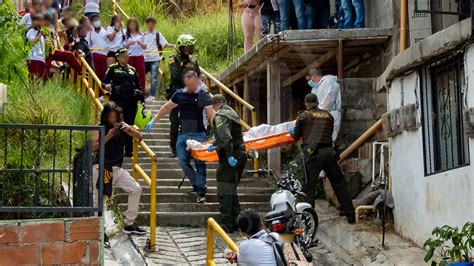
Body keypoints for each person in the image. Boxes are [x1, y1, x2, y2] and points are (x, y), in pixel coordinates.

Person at [145, 71, 214, 203]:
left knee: (200, 163)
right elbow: (166, 108)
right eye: (189, 84)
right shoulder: (179, 95)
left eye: (194, 83)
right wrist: (154, 120)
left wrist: (217, 133)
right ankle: (196, 184)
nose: (192, 86)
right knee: (182, 161)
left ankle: (201, 191)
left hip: (199, 134)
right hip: (183, 134)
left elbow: (211, 114)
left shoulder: (203, 95)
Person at [289, 93, 355, 223]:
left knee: (309, 188)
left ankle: (309, 220)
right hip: (329, 153)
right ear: (317, 102)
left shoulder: (303, 116)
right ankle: (350, 215)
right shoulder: (328, 116)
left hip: (313, 154)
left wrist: (292, 132)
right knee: (339, 184)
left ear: (306, 103)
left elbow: (296, 136)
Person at [91, 101, 146, 235]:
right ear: (105, 116)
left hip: (117, 168)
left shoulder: (122, 128)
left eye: (115, 117)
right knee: (100, 199)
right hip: (101, 167)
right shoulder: (99, 128)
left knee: (136, 188)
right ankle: (99, 230)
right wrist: (108, 136)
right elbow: (92, 147)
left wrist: (129, 129)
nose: (113, 120)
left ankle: (129, 224)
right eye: (110, 117)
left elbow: (140, 137)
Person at [207, 94, 247, 233]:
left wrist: (229, 155)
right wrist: (215, 143)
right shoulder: (232, 113)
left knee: (224, 190)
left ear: (213, 106)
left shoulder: (220, 116)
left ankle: (227, 224)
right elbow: (229, 135)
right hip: (241, 154)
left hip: (232, 156)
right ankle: (238, 222)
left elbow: (225, 136)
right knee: (231, 190)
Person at [102, 48, 145, 157]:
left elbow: (138, 86)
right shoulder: (113, 69)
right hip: (117, 101)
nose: (125, 57)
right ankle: (118, 147)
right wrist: (106, 86)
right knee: (118, 123)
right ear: (117, 57)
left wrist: (142, 100)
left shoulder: (132, 70)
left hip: (131, 102)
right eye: (123, 55)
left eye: (126, 55)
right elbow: (104, 82)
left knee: (129, 124)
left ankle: (129, 149)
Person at [166, 34, 201, 158]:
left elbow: (198, 75)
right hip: (177, 92)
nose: (189, 50)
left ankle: (189, 149)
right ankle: (174, 149)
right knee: (175, 121)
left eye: (190, 47)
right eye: (186, 47)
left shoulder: (194, 60)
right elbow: (175, 74)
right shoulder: (173, 58)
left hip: (191, 94)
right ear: (180, 47)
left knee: (190, 121)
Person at [143, 16, 175, 102]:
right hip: (145, 59)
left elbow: (165, 45)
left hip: (155, 59)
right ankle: (140, 94)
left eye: (152, 23)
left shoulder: (157, 34)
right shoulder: (143, 35)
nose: (151, 25)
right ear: (147, 24)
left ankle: (152, 95)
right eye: (149, 23)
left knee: (154, 77)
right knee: (140, 76)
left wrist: (174, 46)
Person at [306, 67, 341, 141]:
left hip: (330, 114)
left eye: (310, 79)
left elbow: (328, 101)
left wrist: (315, 113)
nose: (310, 82)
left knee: (328, 141)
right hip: (320, 116)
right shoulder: (315, 89)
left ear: (315, 76)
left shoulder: (328, 81)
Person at [124, 18, 147, 93]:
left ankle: (141, 92)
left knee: (141, 75)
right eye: (131, 24)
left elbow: (145, 47)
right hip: (129, 56)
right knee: (129, 74)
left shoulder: (141, 34)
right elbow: (124, 47)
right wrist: (130, 43)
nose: (132, 26)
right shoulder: (126, 35)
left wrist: (140, 43)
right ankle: (129, 91)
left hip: (139, 56)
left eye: (134, 24)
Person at [87, 14, 109, 81]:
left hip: (105, 54)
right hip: (95, 54)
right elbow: (88, 44)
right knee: (96, 73)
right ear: (91, 23)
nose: (96, 21)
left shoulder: (106, 31)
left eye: (97, 20)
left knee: (105, 73)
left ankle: (104, 90)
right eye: (94, 20)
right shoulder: (90, 33)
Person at [26, 14, 46, 79]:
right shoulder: (31, 31)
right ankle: (32, 89)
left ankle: (36, 89)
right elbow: (32, 42)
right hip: (33, 57)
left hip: (40, 57)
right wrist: (39, 36)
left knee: (39, 76)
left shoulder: (41, 31)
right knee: (33, 75)